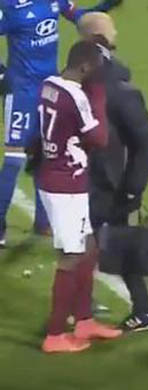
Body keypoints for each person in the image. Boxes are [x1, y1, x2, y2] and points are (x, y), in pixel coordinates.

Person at [0, 0, 122, 248]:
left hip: (50, 87)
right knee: (15, 159)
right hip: (22, 91)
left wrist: (106, 6)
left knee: (48, 151)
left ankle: (43, 221)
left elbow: (81, 17)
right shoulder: (9, 6)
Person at [77, 13, 148, 332]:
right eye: (112, 28)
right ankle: (142, 311)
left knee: (88, 244)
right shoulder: (105, 80)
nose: (116, 32)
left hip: (103, 183)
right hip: (100, 180)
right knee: (105, 243)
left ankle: (84, 311)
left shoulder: (109, 86)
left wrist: (132, 188)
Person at [38, 40, 122, 353]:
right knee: (71, 257)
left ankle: (84, 320)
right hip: (65, 186)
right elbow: (99, 138)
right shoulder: (77, 95)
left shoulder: (50, 84)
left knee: (88, 247)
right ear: (85, 67)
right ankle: (55, 334)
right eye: (96, 70)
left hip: (59, 176)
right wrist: (97, 94)